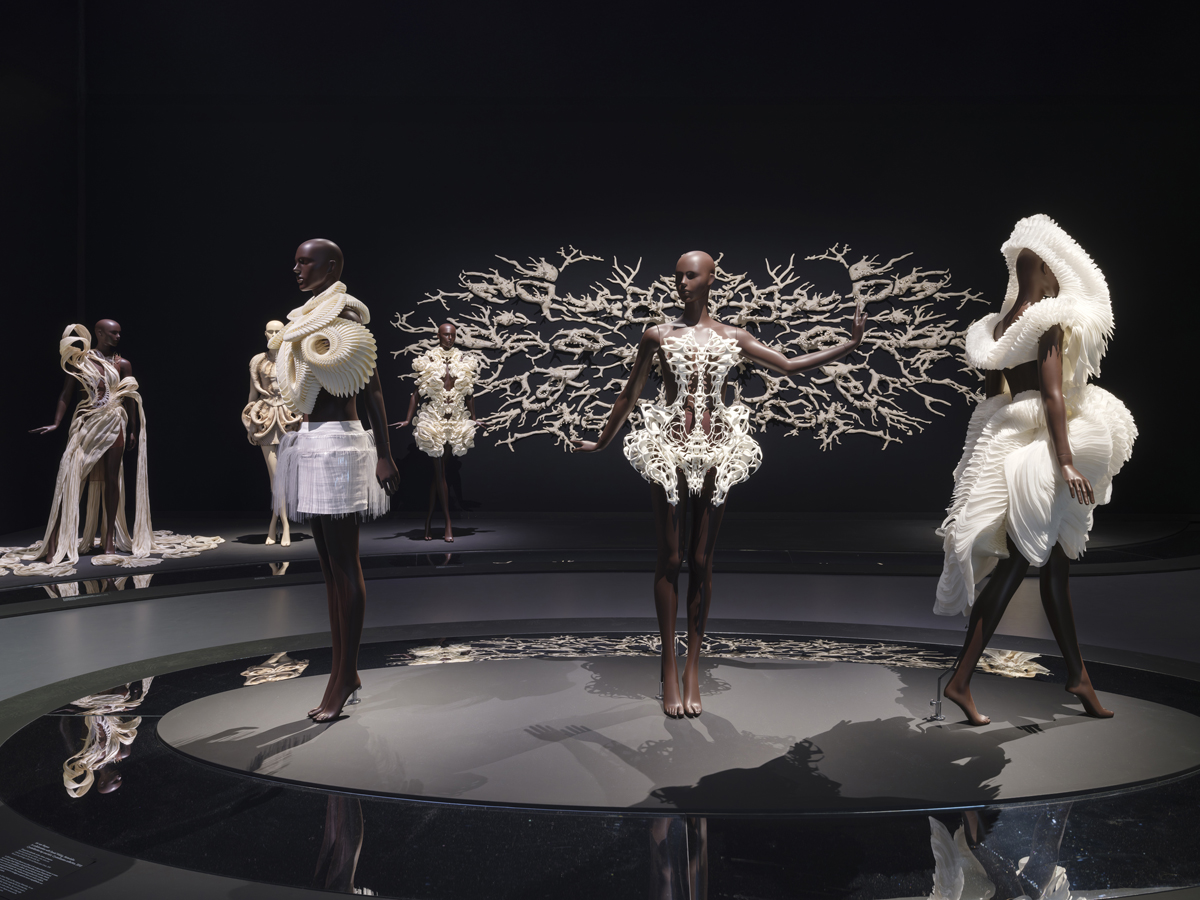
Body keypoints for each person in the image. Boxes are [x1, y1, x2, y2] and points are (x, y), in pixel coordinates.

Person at [575, 251, 867, 717]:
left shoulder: (733, 336)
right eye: (677, 276)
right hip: (667, 445)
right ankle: (669, 666)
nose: (681, 283)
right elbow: (630, 393)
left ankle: (693, 668)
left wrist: (849, 345)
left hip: (718, 449)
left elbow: (788, 364)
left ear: (711, 279)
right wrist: (602, 442)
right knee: (670, 557)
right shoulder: (658, 334)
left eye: (691, 275)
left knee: (702, 560)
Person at [936, 215, 1137, 725]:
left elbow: (994, 396)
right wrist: (1066, 461)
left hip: (1012, 432)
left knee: (1054, 563)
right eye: (1054, 273)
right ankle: (961, 679)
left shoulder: (999, 328)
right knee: (1023, 559)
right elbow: (1051, 394)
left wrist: (995, 444)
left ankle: (1078, 676)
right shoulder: (1047, 319)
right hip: (1045, 442)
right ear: (1046, 269)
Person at [272, 238, 400, 722]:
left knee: (345, 564)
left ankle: (344, 675)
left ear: (330, 267)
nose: (297, 269)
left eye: (305, 262)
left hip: (340, 446)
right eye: (296, 261)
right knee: (328, 566)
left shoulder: (344, 320)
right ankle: (343, 671)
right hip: (311, 441)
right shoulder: (306, 320)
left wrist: (385, 454)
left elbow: (373, 390)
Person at [27, 321, 147, 567]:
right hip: (87, 423)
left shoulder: (123, 364)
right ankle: (55, 541)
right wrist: (57, 423)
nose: (118, 336)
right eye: (113, 332)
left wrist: (133, 429)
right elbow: (66, 393)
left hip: (114, 422)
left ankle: (110, 538)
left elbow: (130, 397)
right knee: (70, 476)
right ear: (99, 333)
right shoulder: (81, 362)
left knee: (112, 478)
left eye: (119, 332)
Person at [391, 322, 480, 542]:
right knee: (440, 473)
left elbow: (469, 393)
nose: (449, 338)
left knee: (439, 474)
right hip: (433, 421)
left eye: (453, 335)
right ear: (438, 335)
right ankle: (448, 523)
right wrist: (408, 419)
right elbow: (416, 393)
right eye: (446, 335)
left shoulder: (462, 360)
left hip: (455, 421)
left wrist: (474, 418)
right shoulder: (429, 360)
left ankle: (429, 522)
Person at [242, 319, 303, 546]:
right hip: (265, 417)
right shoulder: (257, 360)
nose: (274, 334)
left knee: (283, 476)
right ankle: (284, 523)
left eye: (279, 331)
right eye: (271, 331)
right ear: (265, 333)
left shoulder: (293, 358)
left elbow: (301, 391)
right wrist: (250, 423)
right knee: (275, 476)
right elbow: (252, 393)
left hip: (288, 418)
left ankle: (275, 521)